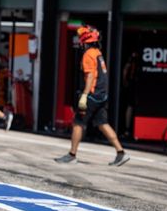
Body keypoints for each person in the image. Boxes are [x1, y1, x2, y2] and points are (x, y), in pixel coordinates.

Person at [55, 25, 129, 166]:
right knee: (102, 123)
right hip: (102, 95)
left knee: (77, 123)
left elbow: (89, 76)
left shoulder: (88, 55)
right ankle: (121, 153)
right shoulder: (97, 53)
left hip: (92, 95)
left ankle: (72, 155)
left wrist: (84, 95)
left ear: (85, 40)